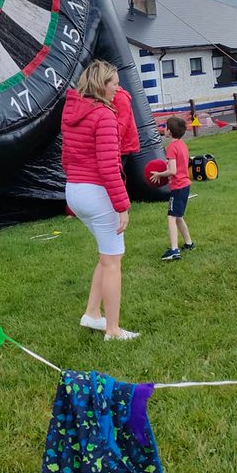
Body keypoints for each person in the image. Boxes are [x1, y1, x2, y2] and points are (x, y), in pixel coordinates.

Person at [62, 59, 139, 341]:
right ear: (101, 85)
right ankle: (113, 330)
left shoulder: (72, 110)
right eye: (114, 85)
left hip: (76, 189)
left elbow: (67, 158)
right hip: (96, 192)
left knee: (107, 256)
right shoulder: (104, 115)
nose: (118, 90)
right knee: (113, 261)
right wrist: (123, 206)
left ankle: (92, 313)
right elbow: (109, 166)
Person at [149, 116, 195, 260]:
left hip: (178, 186)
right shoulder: (182, 145)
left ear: (169, 131)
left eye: (166, 126)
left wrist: (159, 174)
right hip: (185, 185)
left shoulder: (171, 147)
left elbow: (173, 171)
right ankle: (189, 243)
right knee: (178, 217)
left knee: (171, 217)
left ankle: (174, 250)